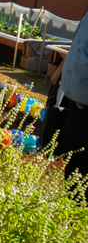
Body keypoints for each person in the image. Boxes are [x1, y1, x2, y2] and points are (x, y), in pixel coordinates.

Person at [50, 13, 88, 177]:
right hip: (75, 106)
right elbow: (79, 44)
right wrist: (60, 71)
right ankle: (71, 203)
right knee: (72, 164)